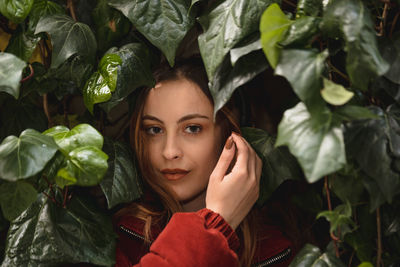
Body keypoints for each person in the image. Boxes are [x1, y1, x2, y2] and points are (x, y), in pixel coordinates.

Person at [114, 58, 293, 267]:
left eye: (192, 128)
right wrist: (216, 224)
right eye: (155, 129)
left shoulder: (278, 249)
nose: (170, 152)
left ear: (231, 133)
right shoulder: (118, 239)